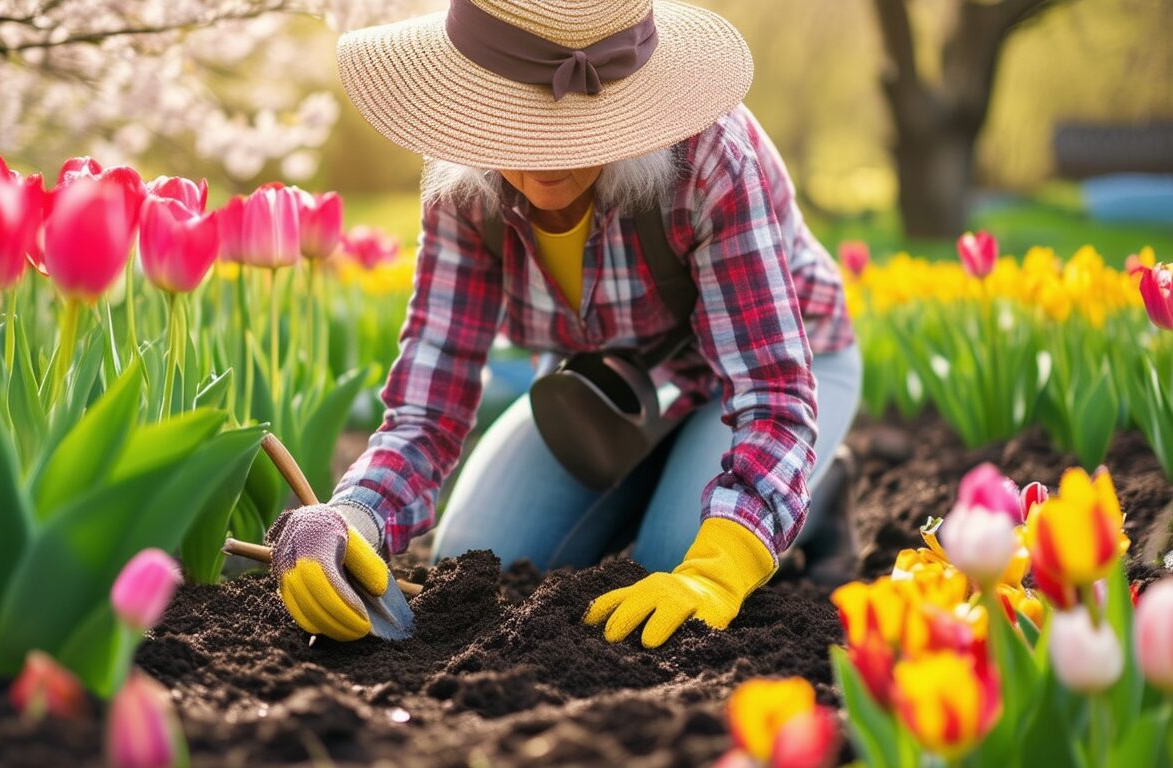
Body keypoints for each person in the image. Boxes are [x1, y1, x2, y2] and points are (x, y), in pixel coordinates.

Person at [267, 0, 860, 649]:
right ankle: (676, 474)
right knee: (475, 555)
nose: (544, 157)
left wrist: (716, 568)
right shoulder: (465, 182)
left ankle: (818, 483)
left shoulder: (708, 157)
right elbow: (429, 404)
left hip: (781, 367)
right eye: (515, 123)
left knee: (675, 556)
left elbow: (773, 396)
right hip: (610, 384)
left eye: (575, 130)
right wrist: (355, 513)